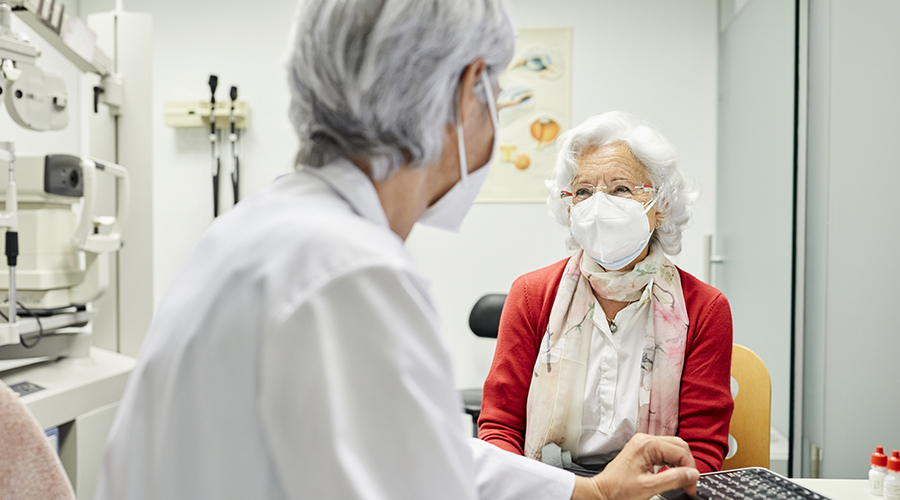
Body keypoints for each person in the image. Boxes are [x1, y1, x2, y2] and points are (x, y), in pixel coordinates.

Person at [95, 2, 701, 499]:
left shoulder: (263, 231)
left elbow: (414, 447)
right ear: (467, 92)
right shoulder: (347, 272)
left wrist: (586, 494)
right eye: (495, 96)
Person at [478, 111, 734, 474]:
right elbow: (500, 428)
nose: (599, 206)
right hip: (550, 486)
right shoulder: (531, 295)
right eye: (583, 191)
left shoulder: (705, 309)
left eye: (621, 189)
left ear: (659, 206)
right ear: (569, 207)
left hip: (652, 489)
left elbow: (701, 451)